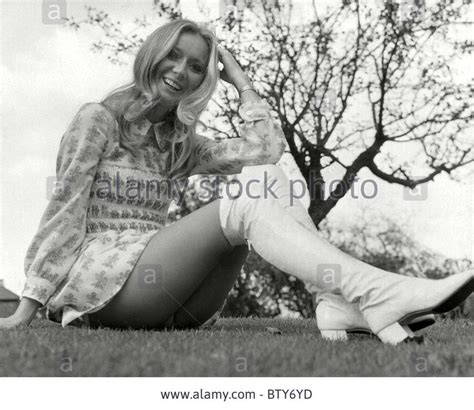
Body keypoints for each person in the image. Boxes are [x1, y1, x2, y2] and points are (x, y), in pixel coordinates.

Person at [1, 19, 472, 345]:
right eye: (174, 57)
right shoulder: (97, 120)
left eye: (195, 65)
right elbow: (64, 207)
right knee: (245, 202)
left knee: (266, 175)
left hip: (174, 300)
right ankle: (378, 294)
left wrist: (241, 82)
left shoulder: (180, 143)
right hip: (102, 289)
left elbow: (265, 150)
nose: (181, 72)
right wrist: (30, 303)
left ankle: (335, 302)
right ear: (152, 55)